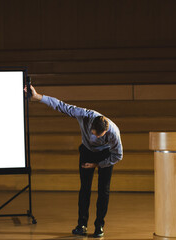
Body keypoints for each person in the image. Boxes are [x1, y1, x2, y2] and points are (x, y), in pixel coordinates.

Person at [25, 85, 123, 238]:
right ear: (91, 125)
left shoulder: (114, 132)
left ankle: (99, 226)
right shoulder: (83, 115)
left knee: (104, 191)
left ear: (106, 131)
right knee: (85, 188)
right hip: (86, 152)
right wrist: (38, 97)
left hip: (105, 155)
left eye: (99, 136)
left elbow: (118, 156)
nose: (95, 137)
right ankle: (82, 225)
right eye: (94, 134)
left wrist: (98, 165)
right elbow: (60, 105)